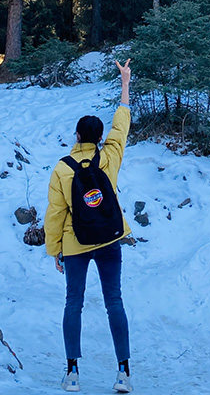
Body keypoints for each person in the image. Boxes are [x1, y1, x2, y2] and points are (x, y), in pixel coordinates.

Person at [44, 59, 133, 393]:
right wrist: (125, 83)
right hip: (109, 239)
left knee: (73, 303)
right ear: (99, 138)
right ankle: (124, 372)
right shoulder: (108, 157)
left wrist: (55, 251)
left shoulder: (62, 168)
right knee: (115, 302)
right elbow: (121, 125)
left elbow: (55, 214)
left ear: (77, 136)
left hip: (75, 245)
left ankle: (72, 373)